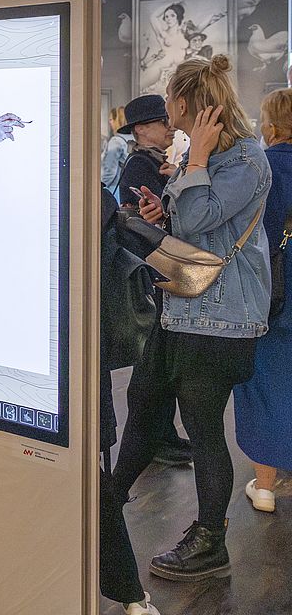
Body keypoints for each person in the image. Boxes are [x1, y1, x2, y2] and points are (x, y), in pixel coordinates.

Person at [112, 55, 270, 582]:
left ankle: (210, 541)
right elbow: (191, 221)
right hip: (182, 310)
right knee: (144, 400)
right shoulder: (208, 157)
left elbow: (202, 216)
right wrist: (164, 211)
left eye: (170, 100)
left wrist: (195, 160)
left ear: (186, 103)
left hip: (221, 320)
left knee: (202, 428)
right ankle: (108, 498)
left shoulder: (244, 159)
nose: (167, 110)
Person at [115, 94, 194, 467]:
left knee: (157, 361)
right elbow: (149, 224)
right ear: (143, 129)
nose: (171, 127)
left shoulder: (151, 163)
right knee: (152, 362)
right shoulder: (140, 166)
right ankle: (156, 438)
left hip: (154, 270)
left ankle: (159, 436)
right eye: (163, 122)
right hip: (151, 271)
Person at [98, 185, 162, 615]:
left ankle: (128, 592)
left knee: (91, 481)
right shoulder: (95, 200)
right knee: (92, 480)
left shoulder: (93, 200)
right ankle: (129, 594)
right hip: (74, 365)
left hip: (63, 366)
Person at [233, 86, 292, 513]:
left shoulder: (261, 166)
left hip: (271, 287)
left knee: (263, 382)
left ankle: (266, 485)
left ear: (270, 126)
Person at [102, 106, 133, 200]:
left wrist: (100, 187)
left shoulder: (115, 142)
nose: (109, 122)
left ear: (118, 120)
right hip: (127, 189)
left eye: (111, 119)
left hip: (113, 189)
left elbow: (109, 171)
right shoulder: (133, 139)